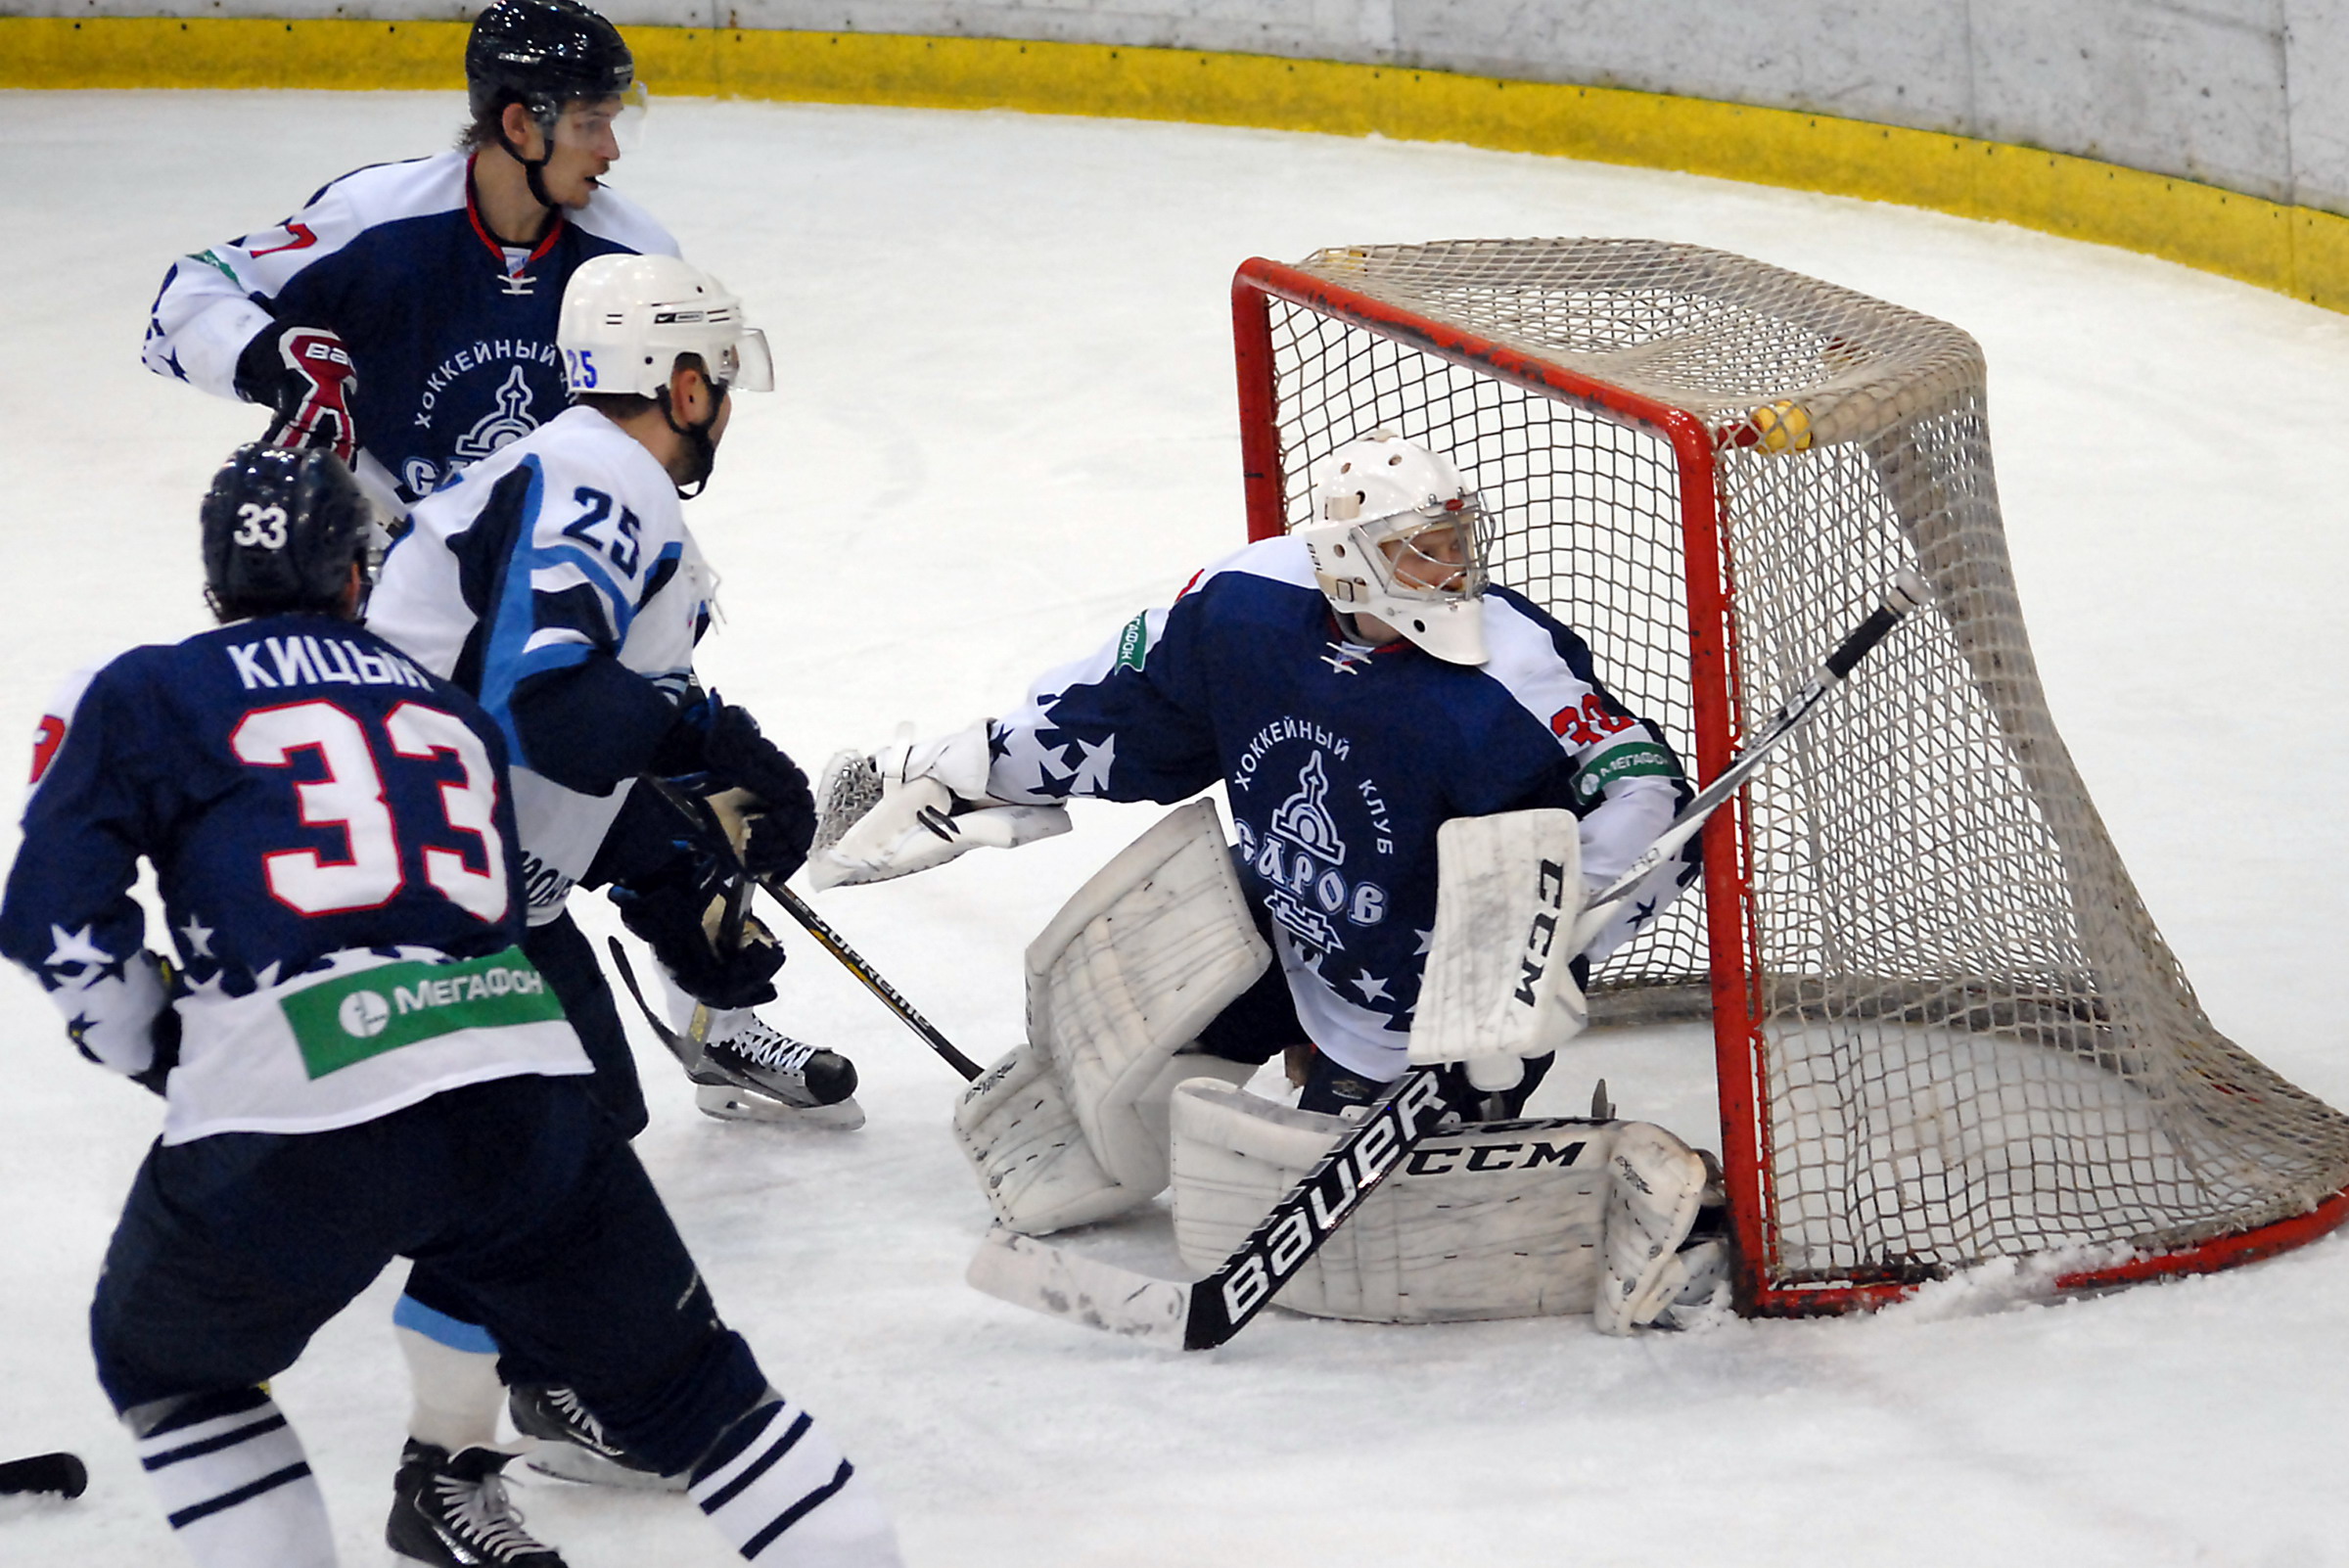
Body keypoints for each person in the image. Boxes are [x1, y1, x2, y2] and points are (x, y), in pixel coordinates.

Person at [0, 445, 899, 1568]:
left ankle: (441, 1467)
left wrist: (163, 1051)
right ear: (356, 577)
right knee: (716, 1413)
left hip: (293, 1101)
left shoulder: (135, 688)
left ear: (212, 579)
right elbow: (514, 877)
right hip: (520, 1087)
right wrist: (677, 883)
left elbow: (53, 914)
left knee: (173, 1370)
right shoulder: (443, 708)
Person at [360, 252, 864, 1524]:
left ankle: (543, 1384)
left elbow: (526, 718)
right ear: (681, 382)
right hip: (427, 890)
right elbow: (552, 705)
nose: (727, 406)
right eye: (721, 380)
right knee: (532, 1159)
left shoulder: (576, 468)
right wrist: (710, 748)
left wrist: (652, 845)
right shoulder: (603, 481)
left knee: (584, 1129)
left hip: (456, 868)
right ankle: (446, 1477)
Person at [815, 430, 1699, 1119]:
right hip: (1277, 926)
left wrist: (1540, 949)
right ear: (1348, 559)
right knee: (1111, 1087)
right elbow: (1119, 711)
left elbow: (1648, 796)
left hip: (1419, 1005)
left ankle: (1411, 1093)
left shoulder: (1512, 667)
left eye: (1455, 542)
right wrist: (964, 771)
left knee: (1343, 1225)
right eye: (1420, 550)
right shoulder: (1249, 603)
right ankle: (1285, 1037)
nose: (1453, 569)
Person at [139, 0, 672, 515]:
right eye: (589, 125)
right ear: (519, 127)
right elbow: (194, 295)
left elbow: (681, 419)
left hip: (551, 559)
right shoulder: (375, 219)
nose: (611, 149)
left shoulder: (637, 257)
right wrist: (271, 358)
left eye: (612, 122)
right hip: (381, 559)